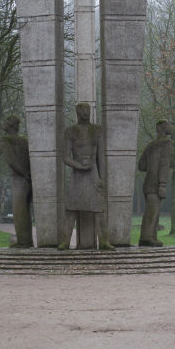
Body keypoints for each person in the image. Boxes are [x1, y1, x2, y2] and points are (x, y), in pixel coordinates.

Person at [59, 102, 114, 250]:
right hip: (77, 176)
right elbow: (65, 157)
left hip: (93, 175)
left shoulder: (97, 130)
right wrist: (79, 166)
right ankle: (65, 241)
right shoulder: (70, 131)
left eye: (88, 110)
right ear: (77, 112)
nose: (86, 112)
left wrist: (102, 179)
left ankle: (103, 241)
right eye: (83, 110)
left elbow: (101, 157)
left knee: (99, 209)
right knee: (71, 209)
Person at [0, 115, 34, 248]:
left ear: (11, 125)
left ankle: (23, 242)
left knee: (19, 210)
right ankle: (27, 240)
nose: (4, 123)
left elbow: (11, 160)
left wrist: (23, 173)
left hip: (19, 178)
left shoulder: (5, 140)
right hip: (28, 179)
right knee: (26, 210)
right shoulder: (24, 142)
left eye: (6, 121)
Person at [138, 120, 172, 247]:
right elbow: (165, 164)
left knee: (152, 211)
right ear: (162, 128)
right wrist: (162, 184)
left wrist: (151, 166)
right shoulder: (167, 143)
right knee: (152, 212)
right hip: (156, 184)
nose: (170, 127)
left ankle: (151, 237)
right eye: (168, 125)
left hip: (147, 183)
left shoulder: (150, 145)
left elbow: (141, 165)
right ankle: (146, 237)